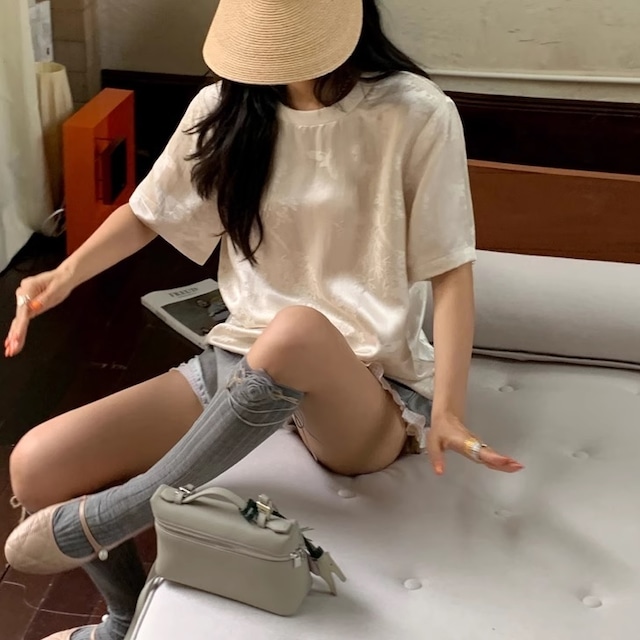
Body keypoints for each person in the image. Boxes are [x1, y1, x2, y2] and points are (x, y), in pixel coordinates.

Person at [4, 1, 524, 639]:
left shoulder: (416, 113)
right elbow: (149, 212)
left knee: (297, 331)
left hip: (361, 390)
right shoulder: (227, 106)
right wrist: (64, 274)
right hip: (241, 365)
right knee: (36, 465)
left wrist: (447, 409)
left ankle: (123, 510)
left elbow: (450, 269)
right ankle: (123, 619)